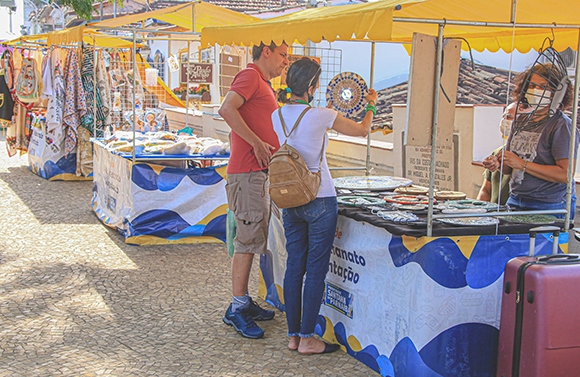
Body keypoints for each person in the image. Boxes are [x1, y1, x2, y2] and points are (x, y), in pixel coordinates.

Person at [271, 58, 378, 355]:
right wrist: (370, 104)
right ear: (312, 86)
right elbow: (361, 131)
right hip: (320, 197)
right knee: (316, 270)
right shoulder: (321, 115)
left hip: (290, 199)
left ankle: (293, 336)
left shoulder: (275, 116)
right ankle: (307, 338)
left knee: (294, 266)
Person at [218, 41, 289, 339]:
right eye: (283, 55)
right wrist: (257, 144)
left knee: (253, 238)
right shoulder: (249, 76)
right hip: (247, 173)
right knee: (247, 241)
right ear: (266, 51)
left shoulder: (261, 83)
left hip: (255, 173)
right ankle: (236, 307)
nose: (286, 62)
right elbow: (226, 109)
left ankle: (244, 302)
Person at [483, 61, 579, 219]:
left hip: (548, 205)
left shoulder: (561, 126)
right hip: (516, 200)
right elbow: (509, 167)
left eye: (544, 87)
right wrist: (498, 163)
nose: (536, 91)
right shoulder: (521, 121)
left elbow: (565, 174)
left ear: (557, 92)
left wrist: (521, 163)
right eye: (532, 85)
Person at [477, 103, 516, 205]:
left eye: (509, 117)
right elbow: (486, 189)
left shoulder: (530, 155)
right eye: (504, 116)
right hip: (493, 215)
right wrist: (478, 213)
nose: (505, 120)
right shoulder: (497, 152)